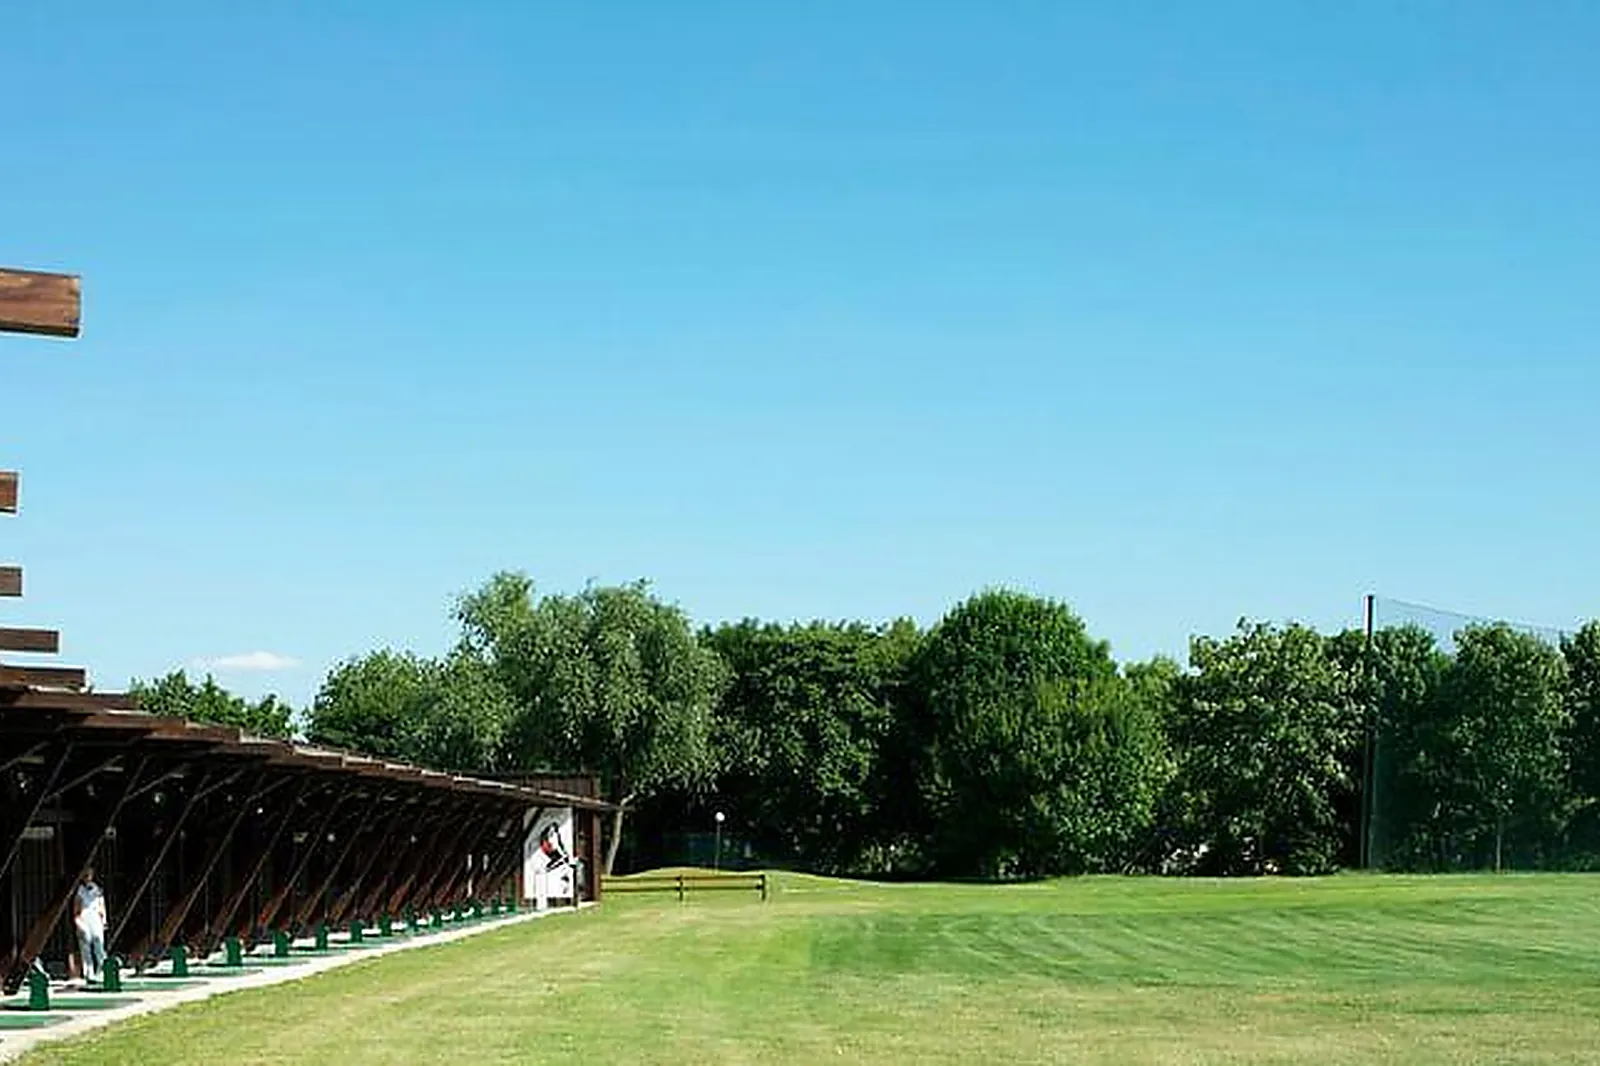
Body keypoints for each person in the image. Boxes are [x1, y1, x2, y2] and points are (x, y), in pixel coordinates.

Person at [73, 866, 108, 985]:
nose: (87, 876)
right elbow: (76, 909)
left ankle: (102, 971)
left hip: (96, 919)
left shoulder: (98, 889)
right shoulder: (79, 890)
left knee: (99, 946)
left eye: (89, 874)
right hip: (84, 919)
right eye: (85, 874)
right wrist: (78, 924)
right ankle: (89, 974)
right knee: (86, 948)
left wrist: (104, 920)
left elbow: (102, 905)